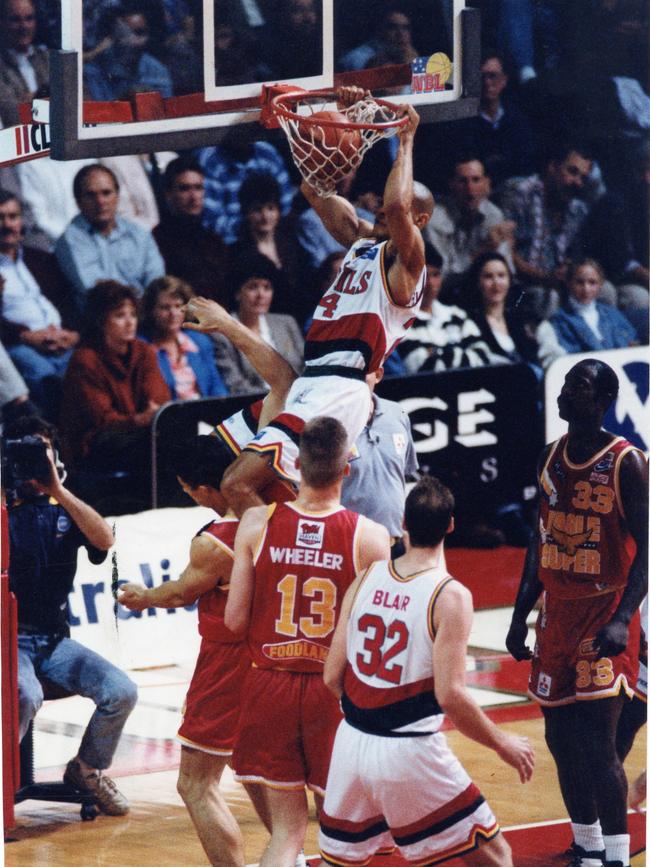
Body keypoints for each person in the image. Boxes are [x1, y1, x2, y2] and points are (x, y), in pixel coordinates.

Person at [219, 88, 433, 516]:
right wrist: (343, 119)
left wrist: (405, 141)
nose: (384, 209)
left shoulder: (408, 266)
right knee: (218, 469)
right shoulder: (360, 241)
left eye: (403, 213)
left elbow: (396, 204)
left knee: (237, 484)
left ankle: (272, 563)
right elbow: (312, 189)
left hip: (339, 385)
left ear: (419, 220)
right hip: (311, 380)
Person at [318, 475, 534, 867]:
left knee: (345, 861)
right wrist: (503, 743)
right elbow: (449, 695)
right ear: (451, 526)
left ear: (402, 522)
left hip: (350, 743)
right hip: (408, 747)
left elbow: (332, 677)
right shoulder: (450, 596)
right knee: (496, 855)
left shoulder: (365, 578)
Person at [224, 416, 391, 867]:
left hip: (268, 687)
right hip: (332, 693)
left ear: (295, 463)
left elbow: (235, 620)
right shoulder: (371, 537)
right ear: (346, 469)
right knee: (343, 835)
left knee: (287, 833)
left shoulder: (256, 523)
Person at [506, 358, 648, 867]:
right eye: (566, 383)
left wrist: (622, 617)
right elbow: (536, 542)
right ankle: (586, 846)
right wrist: (519, 614)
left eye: (578, 386)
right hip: (556, 615)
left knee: (597, 741)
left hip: (605, 611)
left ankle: (616, 855)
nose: (565, 392)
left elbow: (647, 550)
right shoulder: (549, 457)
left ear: (601, 399)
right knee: (559, 738)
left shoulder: (626, 462)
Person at [118, 436, 249, 866]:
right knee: (260, 776)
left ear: (204, 489)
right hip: (277, 657)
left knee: (195, 784)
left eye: (189, 490)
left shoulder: (216, 541)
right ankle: (284, 855)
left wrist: (143, 596)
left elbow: (180, 593)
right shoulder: (277, 517)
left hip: (230, 662)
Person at [4, 414, 137, 816]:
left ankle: (86, 770)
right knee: (24, 694)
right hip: (6, 638)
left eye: (41, 451)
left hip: (54, 639)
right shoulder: (3, 508)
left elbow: (105, 539)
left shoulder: (64, 507)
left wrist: (57, 488)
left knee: (121, 691)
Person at [58, 280, 170, 492]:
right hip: (94, 445)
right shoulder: (86, 359)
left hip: (137, 433)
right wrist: (140, 419)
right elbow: (102, 420)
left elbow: (159, 397)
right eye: (120, 316)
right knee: (157, 447)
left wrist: (152, 413)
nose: (130, 323)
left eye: (133, 315)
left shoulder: (143, 351)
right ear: (102, 321)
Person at [0, 190, 78, 416]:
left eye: (12, 217)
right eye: (0, 218)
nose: (7, 225)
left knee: (89, 368)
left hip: (62, 338)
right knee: (45, 378)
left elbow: (68, 299)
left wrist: (73, 334)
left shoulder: (39, 258)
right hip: (19, 343)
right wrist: (27, 336)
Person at [499, 143, 594, 317]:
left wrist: (569, 268)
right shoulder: (520, 191)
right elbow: (505, 250)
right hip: (520, 285)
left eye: (583, 178)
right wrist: (543, 276)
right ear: (553, 167)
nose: (577, 182)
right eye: (572, 172)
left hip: (559, 283)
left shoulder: (577, 208)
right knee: (549, 297)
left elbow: (576, 254)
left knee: (605, 292)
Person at [55, 164, 165, 310]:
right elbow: (98, 293)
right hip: (103, 322)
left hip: (148, 314)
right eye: (90, 195)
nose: (100, 201)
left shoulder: (139, 233)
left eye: (106, 193)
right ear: (78, 201)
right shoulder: (71, 240)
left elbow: (157, 283)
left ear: (117, 196)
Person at [211, 257, 303, 396]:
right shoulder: (222, 333)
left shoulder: (286, 323)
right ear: (237, 293)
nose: (261, 295)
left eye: (267, 288)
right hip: (256, 408)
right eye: (253, 287)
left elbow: (306, 367)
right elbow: (236, 387)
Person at [399, 243, 497, 373]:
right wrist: (460, 353)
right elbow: (420, 367)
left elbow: (483, 358)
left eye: (436, 275)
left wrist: (437, 353)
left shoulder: (457, 315)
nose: (429, 283)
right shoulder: (401, 322)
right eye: (423, 276)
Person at [424, 155, 514, 296]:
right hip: (443, 295)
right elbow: (441, 277)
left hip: (483, 293)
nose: (470, 189)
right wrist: (484, 249)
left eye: (476, 180)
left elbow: (506, 272)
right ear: (451, 184)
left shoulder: (494, 215)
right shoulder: (434, 219)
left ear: (486, 183)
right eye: (462, 181)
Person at [229, 172, 311, 318]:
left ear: (279, 211)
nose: (265, 216)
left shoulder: (293, 247)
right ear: (246, 213)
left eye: (270, 208)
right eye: (257, 210)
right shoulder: (237, 252)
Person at [153, 156, 232, 305]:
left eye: (198, 188)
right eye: (184, 188)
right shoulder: (157, 241)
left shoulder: (214, 241)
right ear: (168, 193)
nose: (193, 196)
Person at [140, 275, 228, 400]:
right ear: (150, 311)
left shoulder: (199, 341)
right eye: (165, 307)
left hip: (206, 415)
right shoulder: (142, 347)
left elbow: (216, 386)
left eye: (178, 306)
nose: (173, 313)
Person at [545, 259, 638, 358]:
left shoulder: (611, 314)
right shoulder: (560, 319)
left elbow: (631, 343)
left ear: (600, 285)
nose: (586, 289)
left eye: (592, 283)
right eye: (579, 282)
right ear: (569, 283)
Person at [83, 1, 173, 101]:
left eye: (140, 33)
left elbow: (163, 110)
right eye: (126, 34)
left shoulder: (157, 71)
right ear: (113, 36)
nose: (135, 42)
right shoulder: (93, 72)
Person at [466, 252, 541, 366]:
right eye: (488, 276)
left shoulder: (518, 320)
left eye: (501, 275)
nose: (496, 283)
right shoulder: (471, 322)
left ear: (509, 280)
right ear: (478, 282)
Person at [0, 0, 49, 126]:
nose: (24, 26)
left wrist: (30, 100)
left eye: (29, 18)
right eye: (15, 20)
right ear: (2, 22)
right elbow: (11, 114)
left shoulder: (48, 59)